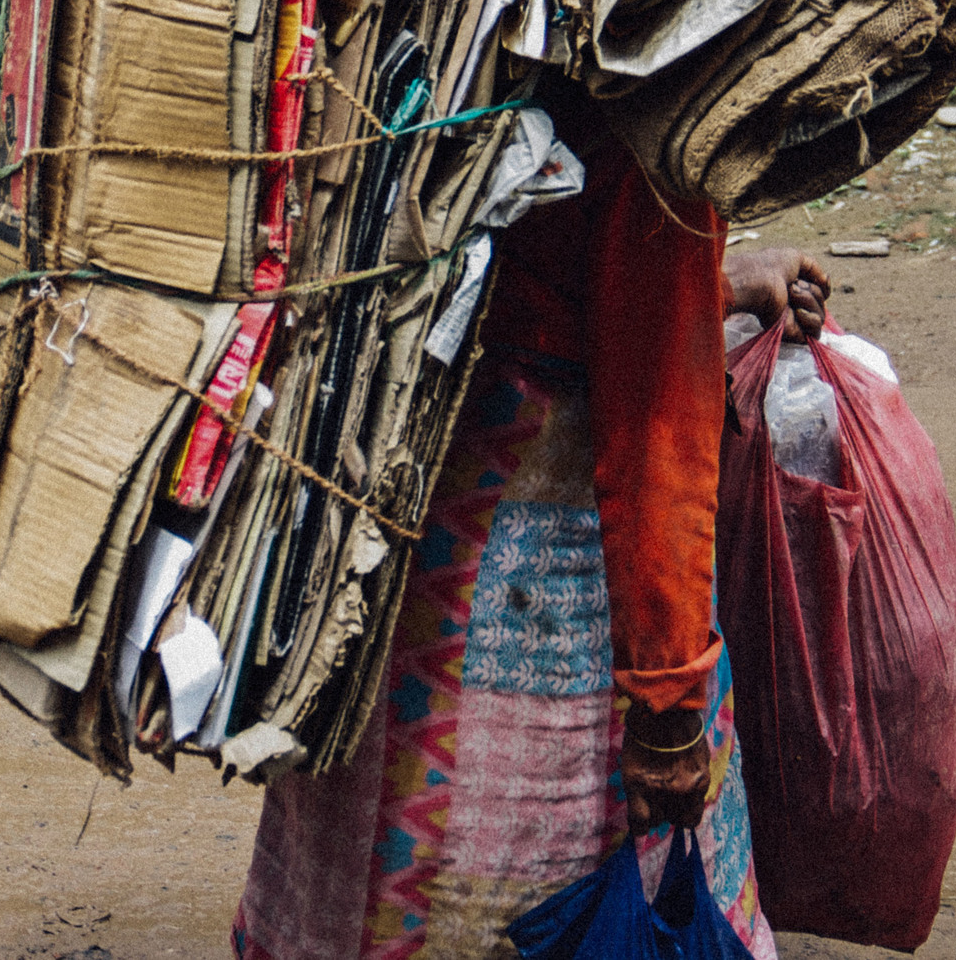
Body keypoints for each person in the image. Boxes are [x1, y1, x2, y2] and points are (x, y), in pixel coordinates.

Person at [233, 76, 829, 960]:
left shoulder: (426, 67)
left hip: (394, 545)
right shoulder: (648, 116)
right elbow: (655, 428)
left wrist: (722, 281)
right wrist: (668, 712)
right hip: (556, 595)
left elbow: (531, 269)